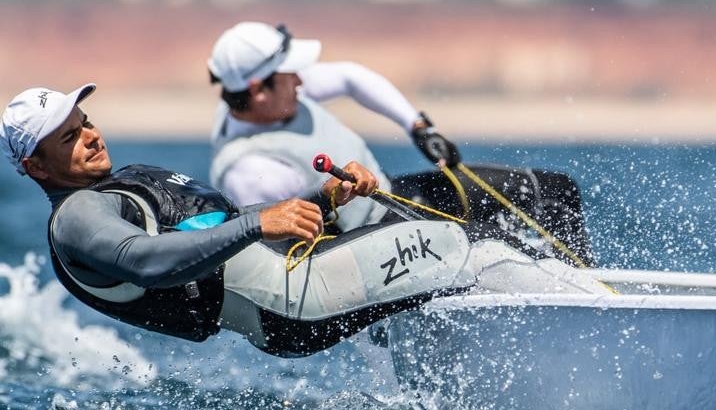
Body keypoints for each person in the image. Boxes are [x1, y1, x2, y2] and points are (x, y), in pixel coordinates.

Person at [4, 82, 484, 358]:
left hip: (292, 301)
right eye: (69, 137)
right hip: (296, 298)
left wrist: (323, 200)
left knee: (445, 263)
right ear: (38, 167)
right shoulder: (77, 215)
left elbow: (218, 226)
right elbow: (145, 261)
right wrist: (256, 225)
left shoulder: (115, 188)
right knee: (467, 242)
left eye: (85, 121)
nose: (90, 136)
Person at [206, 21, 595, 263]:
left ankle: (589, 287)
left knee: (554, 192)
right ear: (257, 89)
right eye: (291, 74)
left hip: (397, 195)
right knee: (502, 246)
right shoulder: (248, 169)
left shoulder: (276, 94)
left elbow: (351, 77)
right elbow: (305, 252)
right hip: (378, 245)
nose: (303, 81)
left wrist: (419, 128)